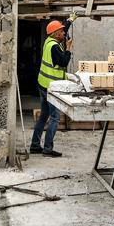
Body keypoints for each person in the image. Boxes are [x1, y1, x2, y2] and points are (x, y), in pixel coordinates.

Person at [30, 16, 73, 157]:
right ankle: (48, 149)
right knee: (54, 117)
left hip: (42, 84)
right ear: (56, 34)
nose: (64, 33)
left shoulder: (49, 41)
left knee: (43, 116)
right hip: (51, 88)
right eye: (61, 31)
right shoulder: (55, 47)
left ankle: (35, 145)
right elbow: (64, 62)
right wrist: (68, 49)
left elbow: (62, 29)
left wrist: (70, 21)